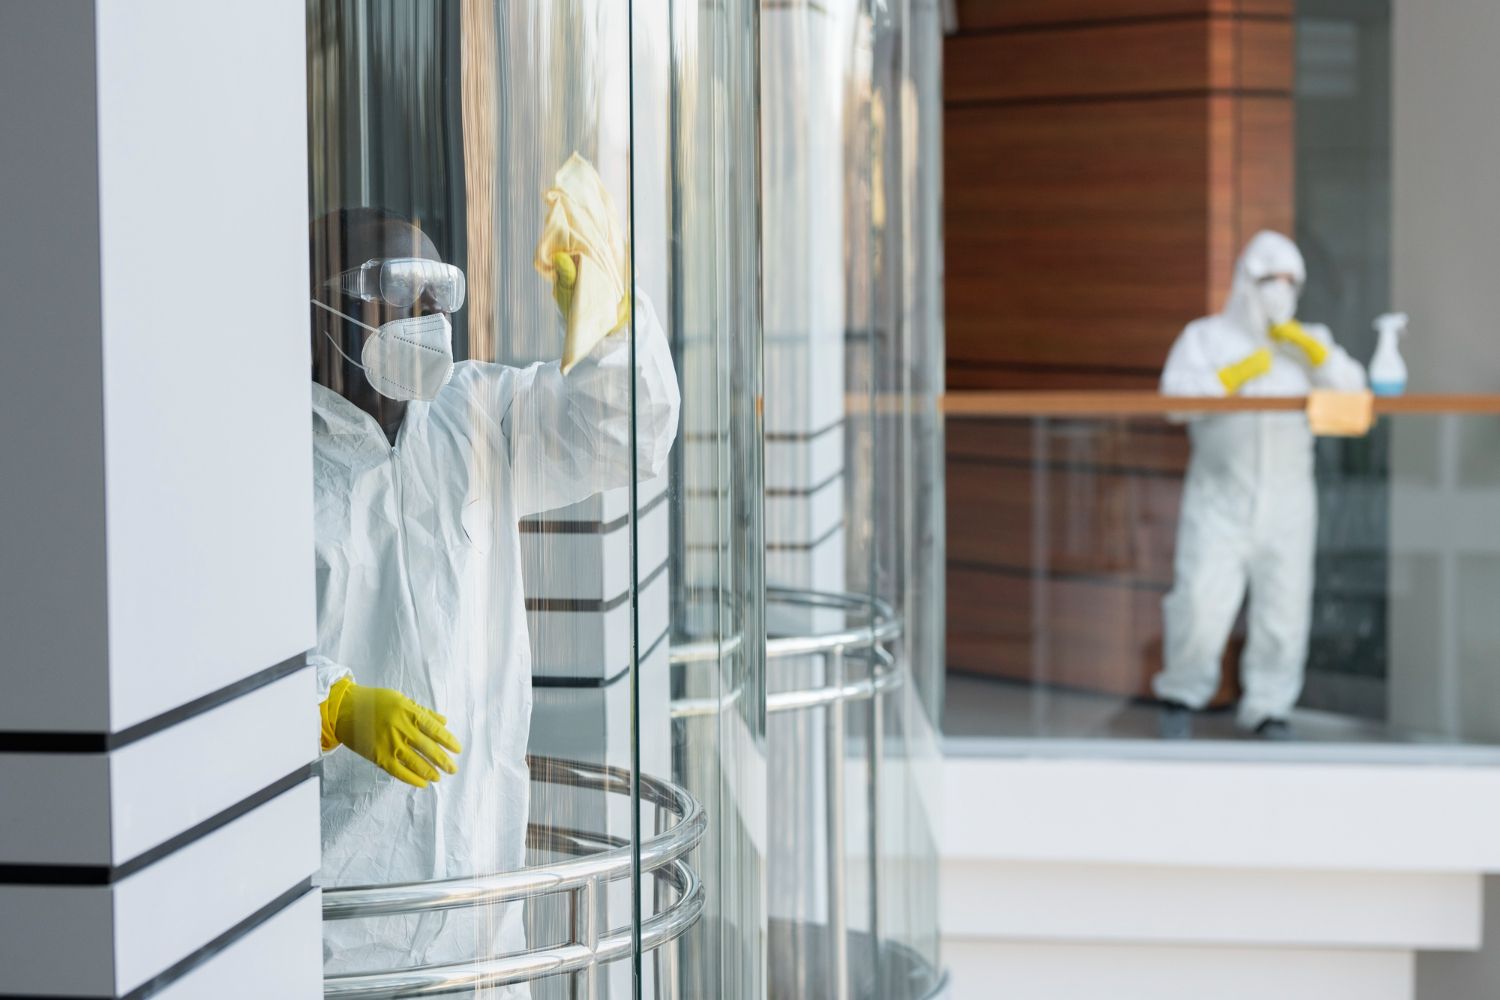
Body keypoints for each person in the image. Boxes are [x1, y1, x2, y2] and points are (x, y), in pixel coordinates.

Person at [309, 205, 681, 985]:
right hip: (336, 941)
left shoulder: (474, 417)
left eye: (439, 292)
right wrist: (331, 706)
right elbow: (210, 659)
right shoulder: (275, 454)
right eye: (400, 289)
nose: (428, 316)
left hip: (478, 923)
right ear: (322, 304)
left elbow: (626, 432)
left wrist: (607, 321)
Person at [1154, 231, 1366, 740]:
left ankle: (1270, 709)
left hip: (1290, 502)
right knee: (1201, 604)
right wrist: (1232, 376)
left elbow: (1354, 395)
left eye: (1292, 282)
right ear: (1245, 281)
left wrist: (1317, 355)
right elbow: (1174, 402)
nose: (1281, 291)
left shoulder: (1308, 342)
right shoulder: (1205, 338)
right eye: (1271, 280)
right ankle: (1181, 697)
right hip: (1219, 497)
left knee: (1284, 610)